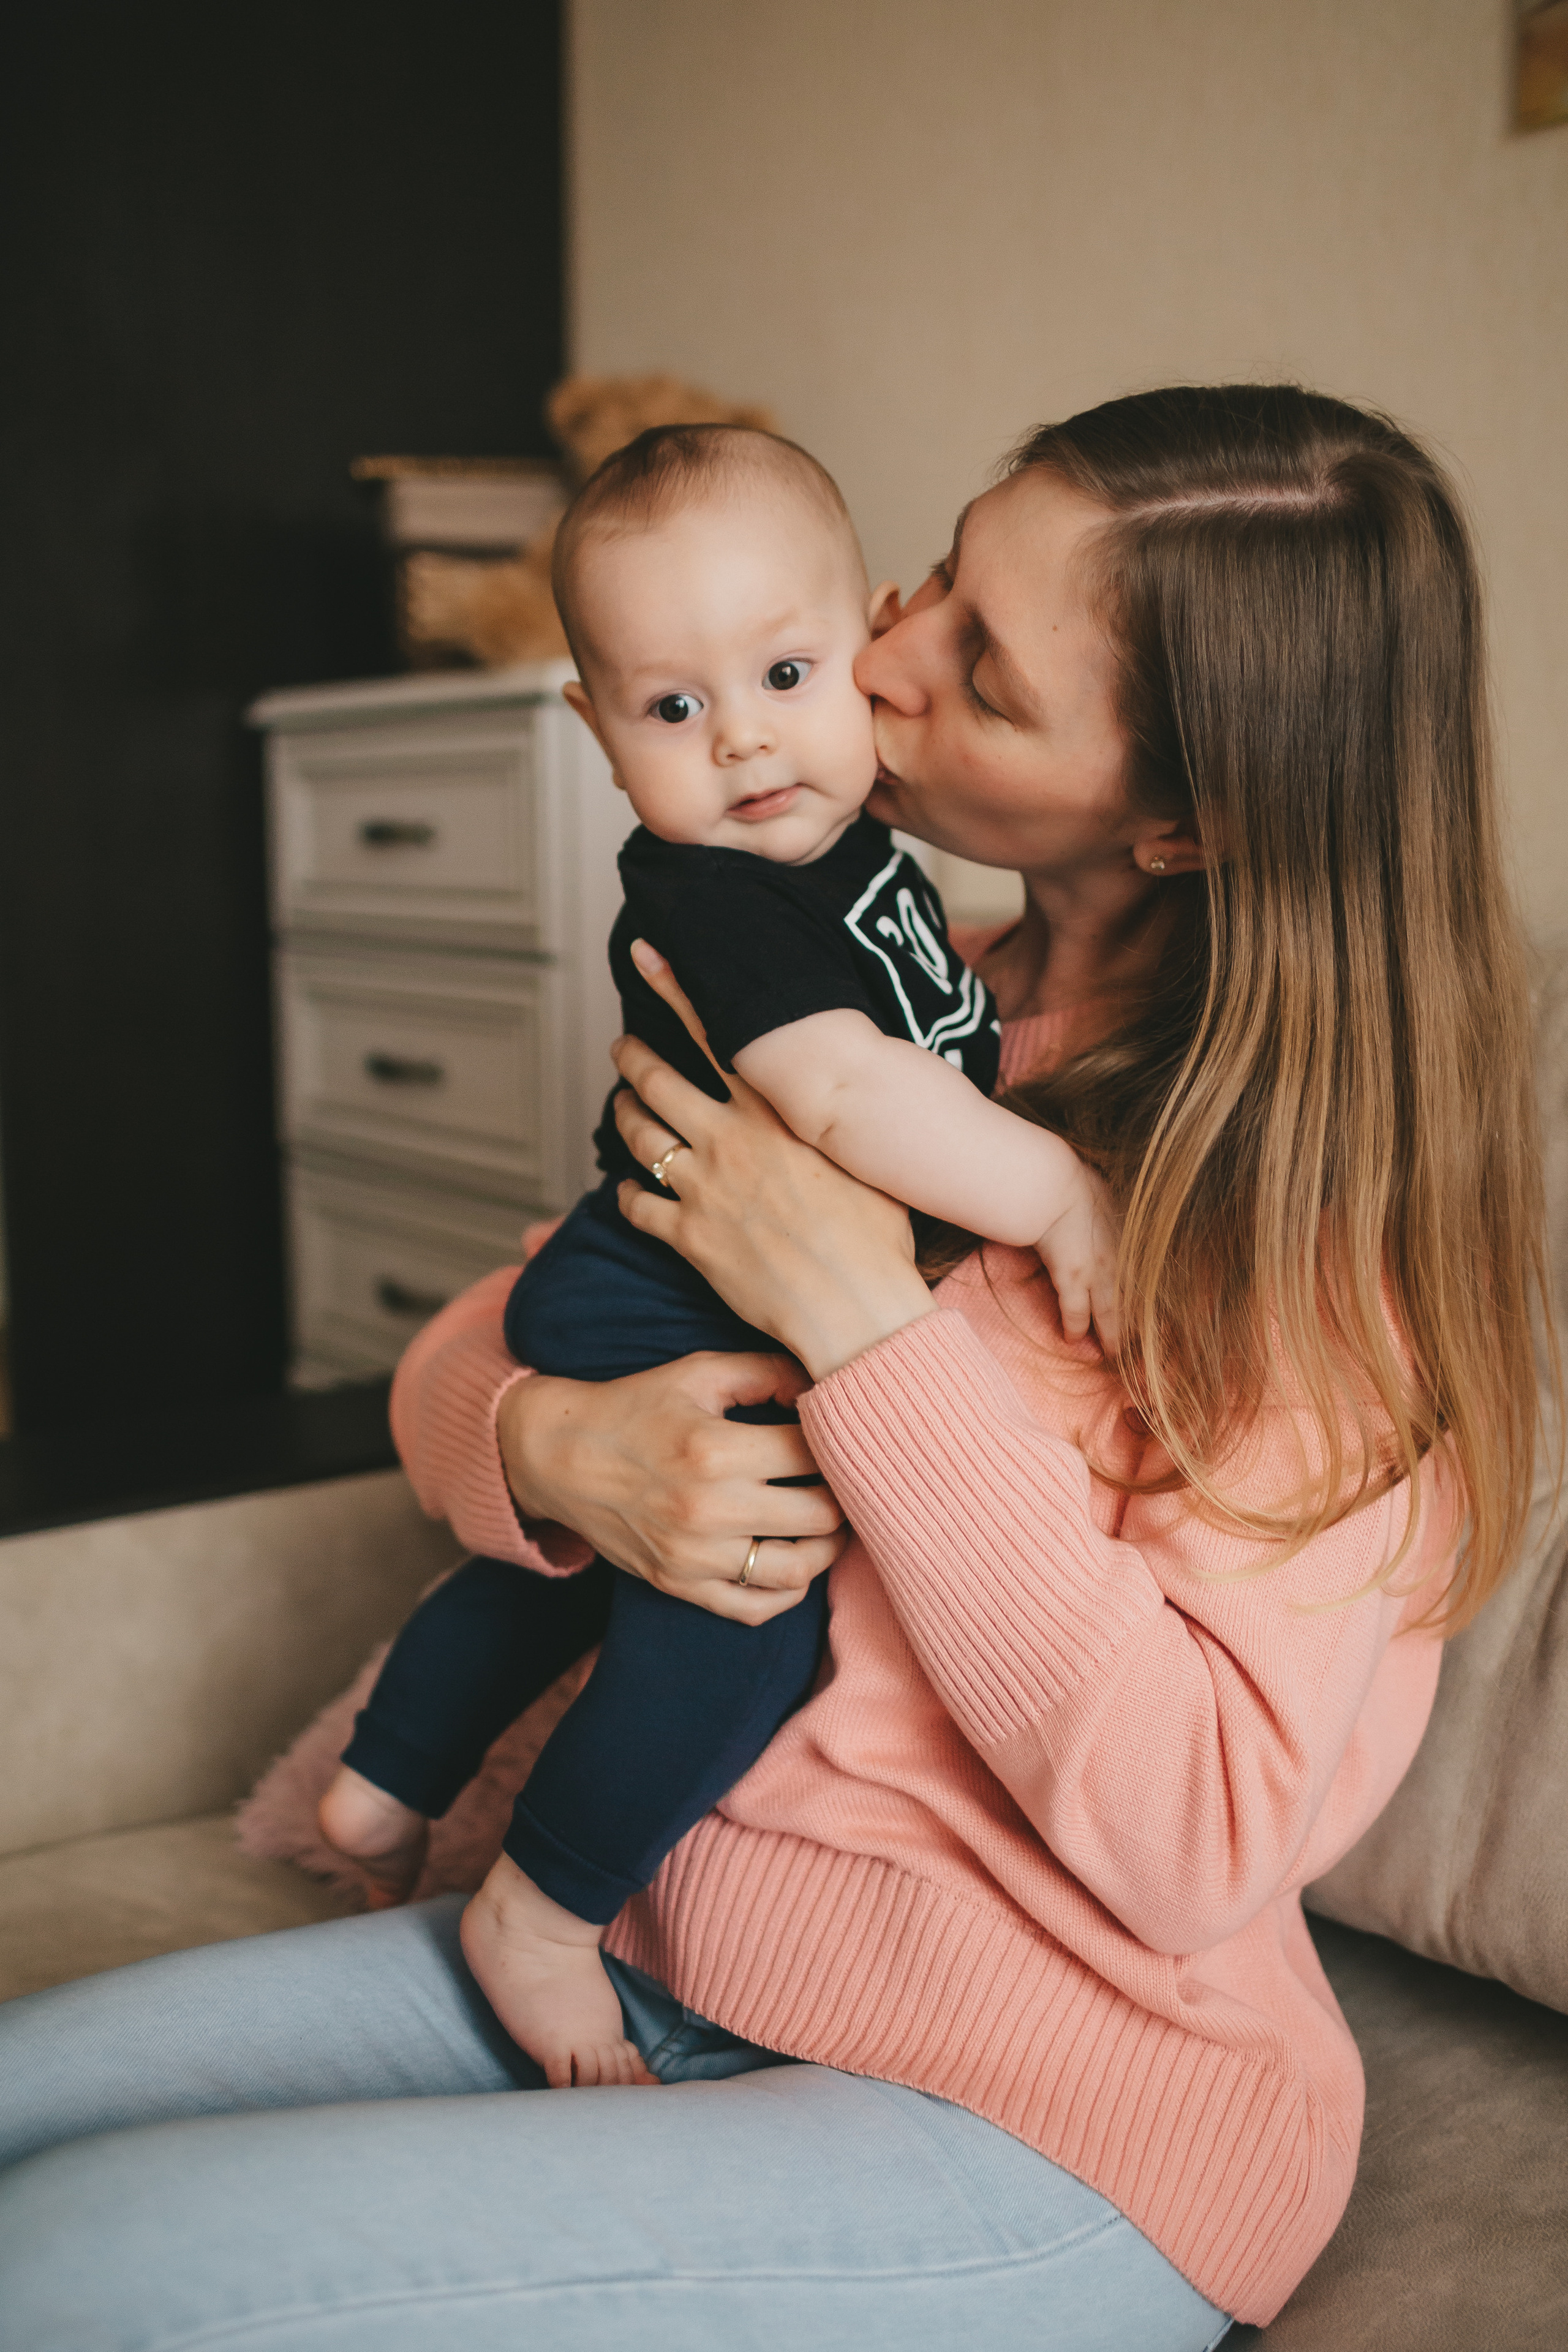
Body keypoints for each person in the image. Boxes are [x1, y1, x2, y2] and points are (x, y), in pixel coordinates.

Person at [0, 385, 1547, 2352]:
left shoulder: (1304, 1244)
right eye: (928, 581)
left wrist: (860, 1323)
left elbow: (1204, 1836)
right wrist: (554, 1444)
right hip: (657, 1932)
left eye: (979, 668)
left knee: (67, 2271)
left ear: (1185, 819)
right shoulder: (890, 996)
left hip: (1044, 2116)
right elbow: (509, 1332)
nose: (881, 664)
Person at [317, 421, 1118, 2090]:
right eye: (675, 708)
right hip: (653, 1291)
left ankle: (387, 1773)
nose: (747, 737)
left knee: (601, 1570)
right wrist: (1049, 1192)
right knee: (737, 1619)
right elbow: (839, 1088)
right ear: (597, 732)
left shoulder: (840, 862)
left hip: (648, 1282)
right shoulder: (725, 891)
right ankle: (540, 1911)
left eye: (786, 669)